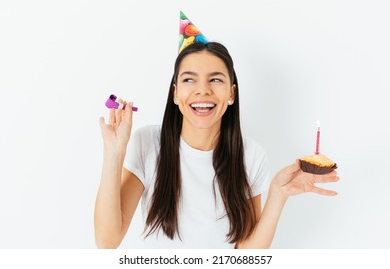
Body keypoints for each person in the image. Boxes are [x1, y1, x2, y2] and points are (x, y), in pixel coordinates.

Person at [94, 41, 339, 249]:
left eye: (215, 79)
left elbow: (246, 255)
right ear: (175, 94)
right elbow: (107, 241)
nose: (203, 90)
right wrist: (113, 153)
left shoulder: (251, 156)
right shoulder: (148, 143)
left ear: (231, 94)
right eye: (190, 79)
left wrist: (278, 195)